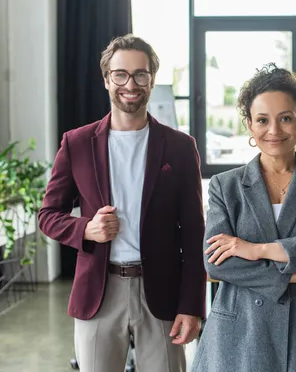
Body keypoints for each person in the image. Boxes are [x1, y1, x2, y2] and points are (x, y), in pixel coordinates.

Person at [38, 34, 206, 372]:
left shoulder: (180, 147)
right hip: (99, 294)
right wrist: (86, 228)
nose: (131, 84)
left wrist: (192, 305)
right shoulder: (78, 143)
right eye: (120, 74)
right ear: (106, 79)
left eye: (140, 74)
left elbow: (193, 233)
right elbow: (48, 215)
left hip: (161, 293)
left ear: (151, 79)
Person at [190, 64, 296, 372]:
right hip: (243, 333)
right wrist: (293, 272)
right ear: (250, 125)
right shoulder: (225, 186)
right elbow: (216, 260)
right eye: (263, 120)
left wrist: (257, 249)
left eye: (285, 118)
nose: (274, 131)